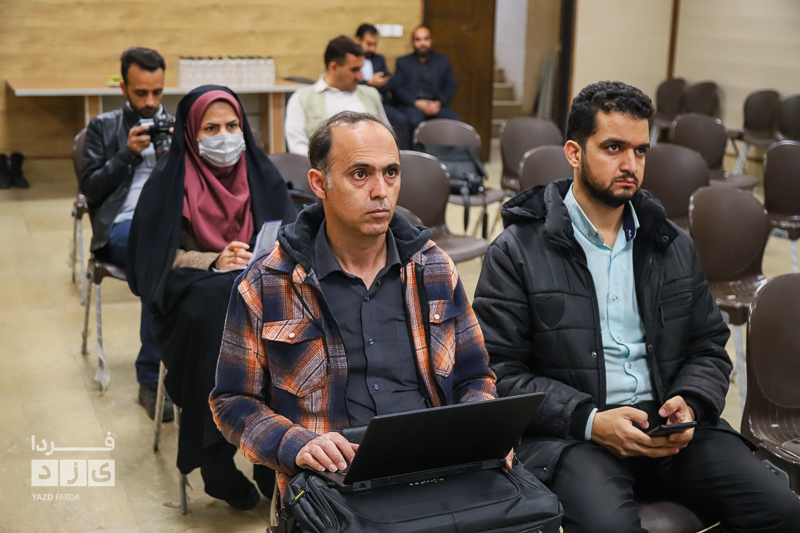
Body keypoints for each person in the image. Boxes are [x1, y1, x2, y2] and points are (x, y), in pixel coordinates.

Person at [473, 80, 800, 532]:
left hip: (667, 427)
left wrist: (691, 402)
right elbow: (498, 373)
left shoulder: (671, 244)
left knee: (783, 511)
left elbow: (708, 345)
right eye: (613, 148)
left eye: (640, 150)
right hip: (576, 435)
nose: (630, 165)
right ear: (574, 153)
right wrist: (590, 420)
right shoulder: (517, 251)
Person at [210, 111, 503, 495]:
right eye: (360, 174)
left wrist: (483, 432)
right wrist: (296, 445)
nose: (381, 191)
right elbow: (233, 400)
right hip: (332, 481)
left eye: (391, 173)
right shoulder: (269, 280)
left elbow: (475, 376)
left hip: (434, 466)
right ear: (320, 183)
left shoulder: (433, 267)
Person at [126, 85, 297, 509]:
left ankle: (272, 448)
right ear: (190, 133)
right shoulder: (168, 182)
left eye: (233, 125)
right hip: (193, 296)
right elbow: (152, 261)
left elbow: (294, 236)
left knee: (281, 309)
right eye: (211, 128)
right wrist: (212, 260)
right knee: (212, 308)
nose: (225, 137)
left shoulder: (261, 173)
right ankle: (214, 456)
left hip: (260, 286)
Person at [80, 47, 172, 421]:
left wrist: (178, 151)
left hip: (170, 223)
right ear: (123, 87)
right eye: (140, 93)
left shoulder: (176, 124)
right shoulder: (103, 126)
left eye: (157, 92)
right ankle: (150, 378)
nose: (150, 102)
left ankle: (198, 367)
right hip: (122, 226)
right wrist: (127, 154)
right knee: (158, 260)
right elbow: (90, 189)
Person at [284, 35, 390, 156]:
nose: (360, 77)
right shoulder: (302, 98)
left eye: (361, 69)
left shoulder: (371, 94)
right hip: (324, 166)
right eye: (354, 70)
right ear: (334, 67)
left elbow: (387, 136)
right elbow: (297, 147)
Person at [391, 25, 459, 143]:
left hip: (437, 105)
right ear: (412, 42)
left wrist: (438, 103)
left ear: (431, 41)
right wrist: (416, 102)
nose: (423, 43)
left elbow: (451, 86)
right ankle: (416, 152)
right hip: (413, 105)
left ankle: (447, 154)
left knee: (455, 121)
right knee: (414, 121)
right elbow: (397, 89)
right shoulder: (403, 62)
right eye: (418, 39)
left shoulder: (443, 61)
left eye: (426, 39)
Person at [354, 23, 411, 149]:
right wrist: (368, 83)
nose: (372, 48)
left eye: (374, 44)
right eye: (368, 44)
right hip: (356, 101)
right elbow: (348, 82)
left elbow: (390, 82)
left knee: (402, 120)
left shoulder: (379, 59)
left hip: (380, 101)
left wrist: (383, 81)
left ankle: (402, 154)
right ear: (358, 40)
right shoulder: (350, 59)